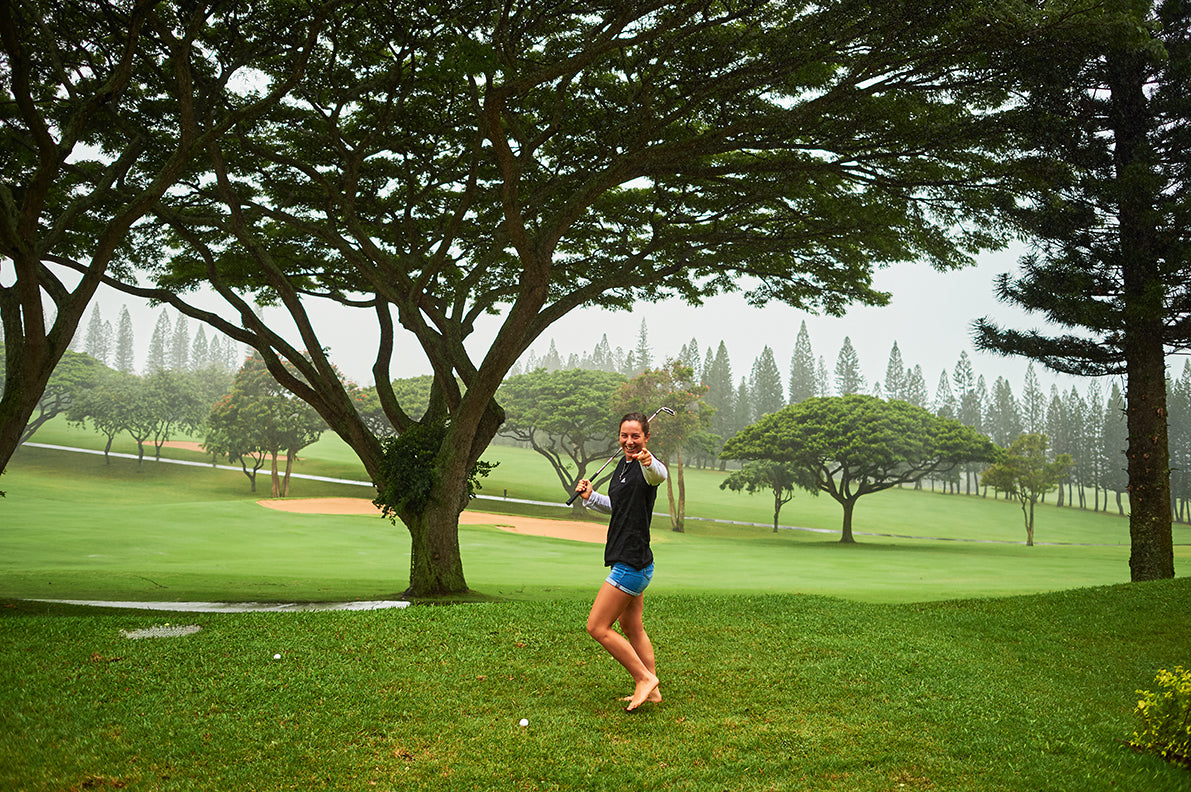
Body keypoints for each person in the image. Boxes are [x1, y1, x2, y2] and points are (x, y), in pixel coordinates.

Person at [574, 411, 668, 711]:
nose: (629, 441)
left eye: (635, 436)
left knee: (597, 627)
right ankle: (653, 691)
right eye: (624, 435)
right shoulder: (623, 466)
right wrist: (591, 496)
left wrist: (648, 461)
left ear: (646, 437)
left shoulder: (647, 468)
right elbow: (618, 505)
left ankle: (644, 679)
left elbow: (659, 475)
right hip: (632, 560)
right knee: (631, 626)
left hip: (631, 563)